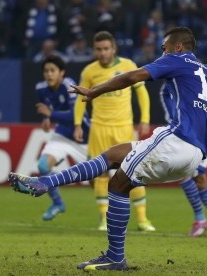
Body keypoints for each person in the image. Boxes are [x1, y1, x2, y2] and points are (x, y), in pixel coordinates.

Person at [8, 27, 207, 271]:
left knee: (116, 185)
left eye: (164, 47)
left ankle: (114, 256)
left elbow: (134, 76)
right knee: (115, 156)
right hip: (194, 157)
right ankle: (46, 182)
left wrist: (94, 92)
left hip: (175, 141)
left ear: (177, 47)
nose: (161, 52)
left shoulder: (176, 60)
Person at [73, 30, 154, 232]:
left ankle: (143, 219)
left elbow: (142, 93)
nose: (102, 53)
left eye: (106, 48)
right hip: (99, 128)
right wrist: (77, 124)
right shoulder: (89, 71)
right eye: (99, 49)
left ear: (114, 49)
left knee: (134, 172)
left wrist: (145, 119)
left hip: (124, 128)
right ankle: (104, 218)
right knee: (99, 176)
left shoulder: (128, 66)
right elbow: (80, 99)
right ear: (94, 50)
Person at [161, 85, 207, 237]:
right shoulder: (180, 73)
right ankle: (201, 220)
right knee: (183, 174)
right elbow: (164, 92)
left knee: (199, 177)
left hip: (205, 133)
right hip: (186, 131)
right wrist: (173, 117)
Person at [34, 55, 90, 220]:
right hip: (63, 135)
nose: (49, 74)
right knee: (43, 166)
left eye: (53, 71)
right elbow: (45, 108)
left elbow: (75, 116)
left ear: (62, 73)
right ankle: (58, 203)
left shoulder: (70, 86)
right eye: (46, 71)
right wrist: (46, 119)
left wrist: (50, 114)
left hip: (84, 137)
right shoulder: (40, 88)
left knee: (98, 180)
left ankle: (105, 214)